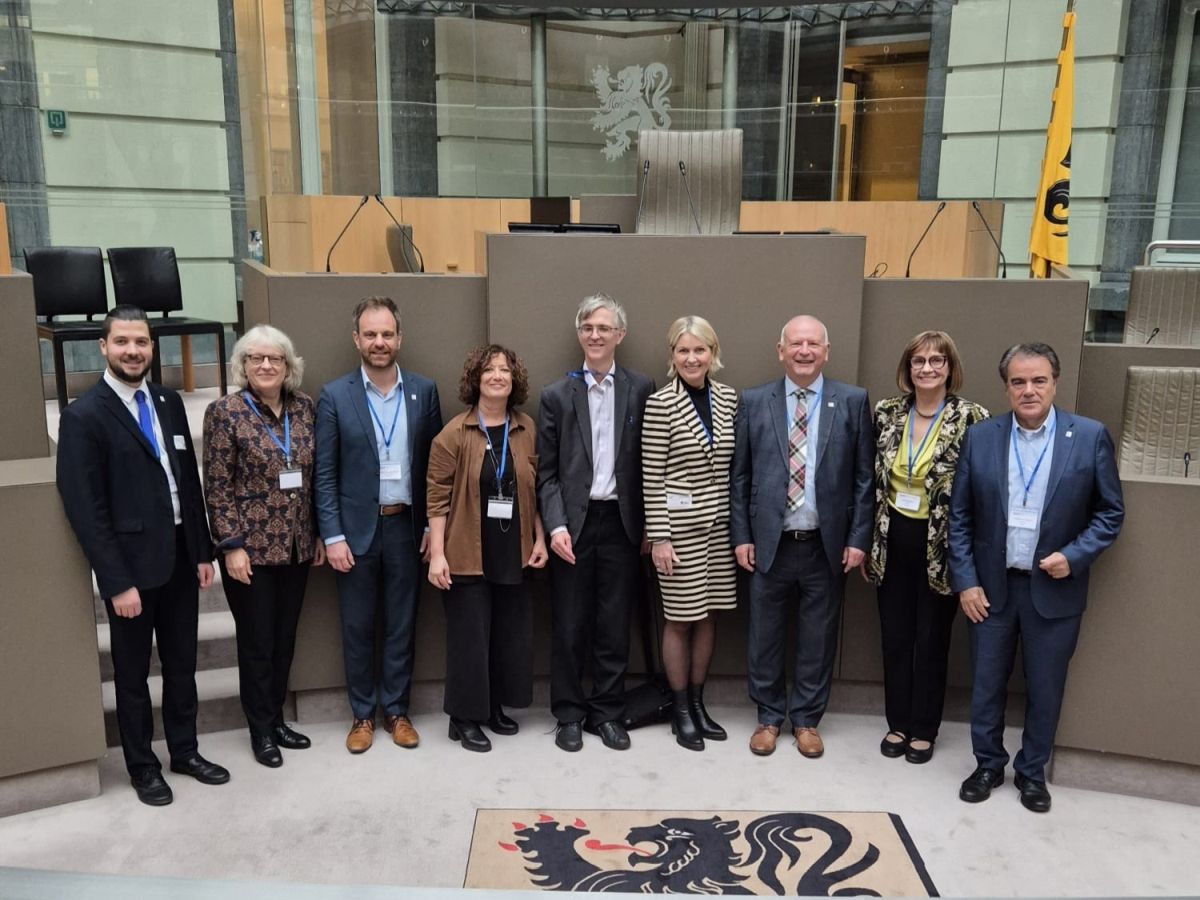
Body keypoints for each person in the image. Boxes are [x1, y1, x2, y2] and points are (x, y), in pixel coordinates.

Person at [56, 305, 229, 806]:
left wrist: (202, 550)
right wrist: (115, 582)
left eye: (141, 342)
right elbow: (86, 510)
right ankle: (143, 766)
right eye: (122, 342)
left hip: (180, 560)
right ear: (104, 347)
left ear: (152, 347)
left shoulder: (168, 402)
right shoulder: (84, 416)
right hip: (131, 571)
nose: (132, 351)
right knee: (132, 676)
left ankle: (185, 751)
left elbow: (187, 482)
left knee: (182, 666)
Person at [949, 342, 1123, 813]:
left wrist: (1075, 555)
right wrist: (966, 582)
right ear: (1007, 387)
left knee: (1045, 688)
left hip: (1055, 590)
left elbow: (1110, 513)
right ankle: (988, 765)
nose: (1029, 390)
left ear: (1054, 383)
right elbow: (959, 517)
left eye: (1038, 380)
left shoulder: (1088, 437)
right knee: (986, 684)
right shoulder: (981, 437)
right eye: (1018, 382)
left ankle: (1031, 772)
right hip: (991, 589)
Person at [731, 315, 873, 759]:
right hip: (769, 543)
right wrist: (741, 535)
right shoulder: (755, 401)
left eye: (813, 343)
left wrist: (858, 538)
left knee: (819, 637)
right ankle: (769, 717)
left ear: (826, 352)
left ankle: (807, 720)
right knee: (764, 636)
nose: (804, 351)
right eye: (796, 343)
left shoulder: (852, 401)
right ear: (781, 351)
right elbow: (740, 477)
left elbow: (864, 478)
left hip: (824, 545)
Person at [314, 296, 442, 754]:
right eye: (370, 334)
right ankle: (362, 715)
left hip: (407, 527)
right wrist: (332, 534)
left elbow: (434, 469)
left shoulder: (424, 391)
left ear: (399, 338)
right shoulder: (335, 395)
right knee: (357, 627)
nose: (379, 342)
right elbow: (324, 473)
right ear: (357, 339)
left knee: (401, 625)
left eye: (387, 333)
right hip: (355, 533)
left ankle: (397, 712)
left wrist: (430, 528)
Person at [202, 325, 325, 768]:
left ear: (288, 366)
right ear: (244, 365)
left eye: (275, 358)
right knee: (256, 644)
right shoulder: (225, 412)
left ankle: (276, 719)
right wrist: (230, 546)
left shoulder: (304, 407)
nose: (267, 365)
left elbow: (313, 476)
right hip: (250, 552)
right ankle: (260, 730)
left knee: (283, 640)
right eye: (257, 358)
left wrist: (317, 533)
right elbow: (217, 486)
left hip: (295, 546)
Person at [537, 293, 654, 753]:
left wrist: (650, 526)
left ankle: (607, 712)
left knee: (613, 625)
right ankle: (568, 714)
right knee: (569, 625)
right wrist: (555, 527)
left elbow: (651, 464)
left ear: (620, 334)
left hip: (622, 524)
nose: (595, 335)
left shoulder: (641, 388)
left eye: (604, 328)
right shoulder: (556, 396)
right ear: (579, 334)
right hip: (573, 526)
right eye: (588, 328)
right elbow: (547, 474)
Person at [864, 331, 989, 765]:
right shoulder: (886, 413)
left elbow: (981, 490)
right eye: (918, 361)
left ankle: (924, 728)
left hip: (943, 546)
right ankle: (897, 722)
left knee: (932, 640)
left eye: (937, 360)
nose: (927, 368)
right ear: (908, 367)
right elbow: (871, 481)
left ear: (950, 368)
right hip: (891, 540)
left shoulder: (973, 417)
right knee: (895, 637)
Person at [426, 345, 548, 752]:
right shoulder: (454, 433)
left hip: (514, 550)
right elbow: (436, 499)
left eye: (505, 370)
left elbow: (535, 489)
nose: (498, 376)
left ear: (515, 380)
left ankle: (492, 706)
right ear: (475, 379)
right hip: (466, 552)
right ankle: (463, 718)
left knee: (506, 635)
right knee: (470, 639)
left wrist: (540, 538)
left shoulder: (526, 428)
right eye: (489, 370)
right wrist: (438, 555)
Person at [642, 316, 739, 751]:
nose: (692, 358)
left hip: (719, 529)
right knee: (680, 618)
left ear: (713, 353)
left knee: (709, 614)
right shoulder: (660, 404)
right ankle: (680, 710)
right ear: (672, 356)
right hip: (678, 533)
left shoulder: (729, 399)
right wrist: (659, 538)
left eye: (700, 349)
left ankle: (699, 705)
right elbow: (651, 476)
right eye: (683, 350)